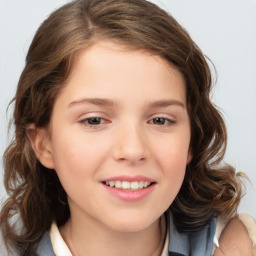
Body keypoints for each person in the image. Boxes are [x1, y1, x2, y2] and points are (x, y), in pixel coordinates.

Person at [0, 0, 255, 255]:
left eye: (160, 120)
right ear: (43, 144)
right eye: (94, 120)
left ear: (192, 139)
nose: (132, 150)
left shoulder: (234, 246)